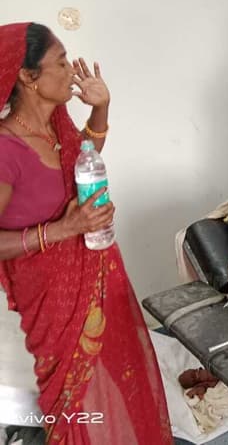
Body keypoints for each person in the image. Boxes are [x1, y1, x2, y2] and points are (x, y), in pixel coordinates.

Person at [0, 23, 171, 443]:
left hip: (97, 273)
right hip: (50, 299)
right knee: (73, 399)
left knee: (113, 373)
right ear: (28, 76)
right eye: (59, 62)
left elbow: (83, 158)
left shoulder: (55, 125)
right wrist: (65, 228)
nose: (70, 70)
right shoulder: (6, 149)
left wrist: (102, 109)